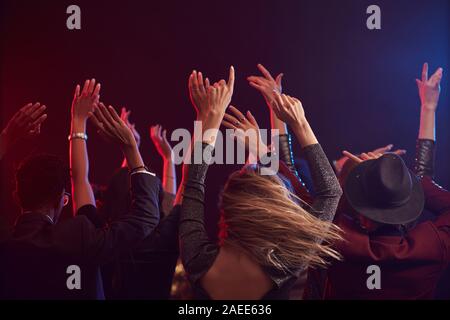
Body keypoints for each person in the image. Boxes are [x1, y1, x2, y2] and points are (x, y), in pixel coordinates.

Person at [179, 66, 342, 300]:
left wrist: (208, 117)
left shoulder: (197, 260)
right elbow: (330, 192)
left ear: (226, 208)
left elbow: (192, 182)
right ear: (278, 211)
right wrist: (300, 123)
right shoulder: (288, 262)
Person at [0, 79, 161, 299]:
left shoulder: (6, 241)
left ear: (18, 195)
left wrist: (6, 138)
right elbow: (146, 217)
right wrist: (130, 147)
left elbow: (79, 181)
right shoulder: (79, 238)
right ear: (62, 199)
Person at [322, 63, 450, 299]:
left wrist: (347, 172)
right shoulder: (431, 248)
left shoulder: (335, 241)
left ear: (362, 215)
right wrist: (400, 175)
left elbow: (315, 202)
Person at [95, 110, 181, 300]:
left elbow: (118, 190)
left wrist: (130, 147)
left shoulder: (100, 242)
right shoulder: (162, 243)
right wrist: (168, 158)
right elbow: (171, 200)